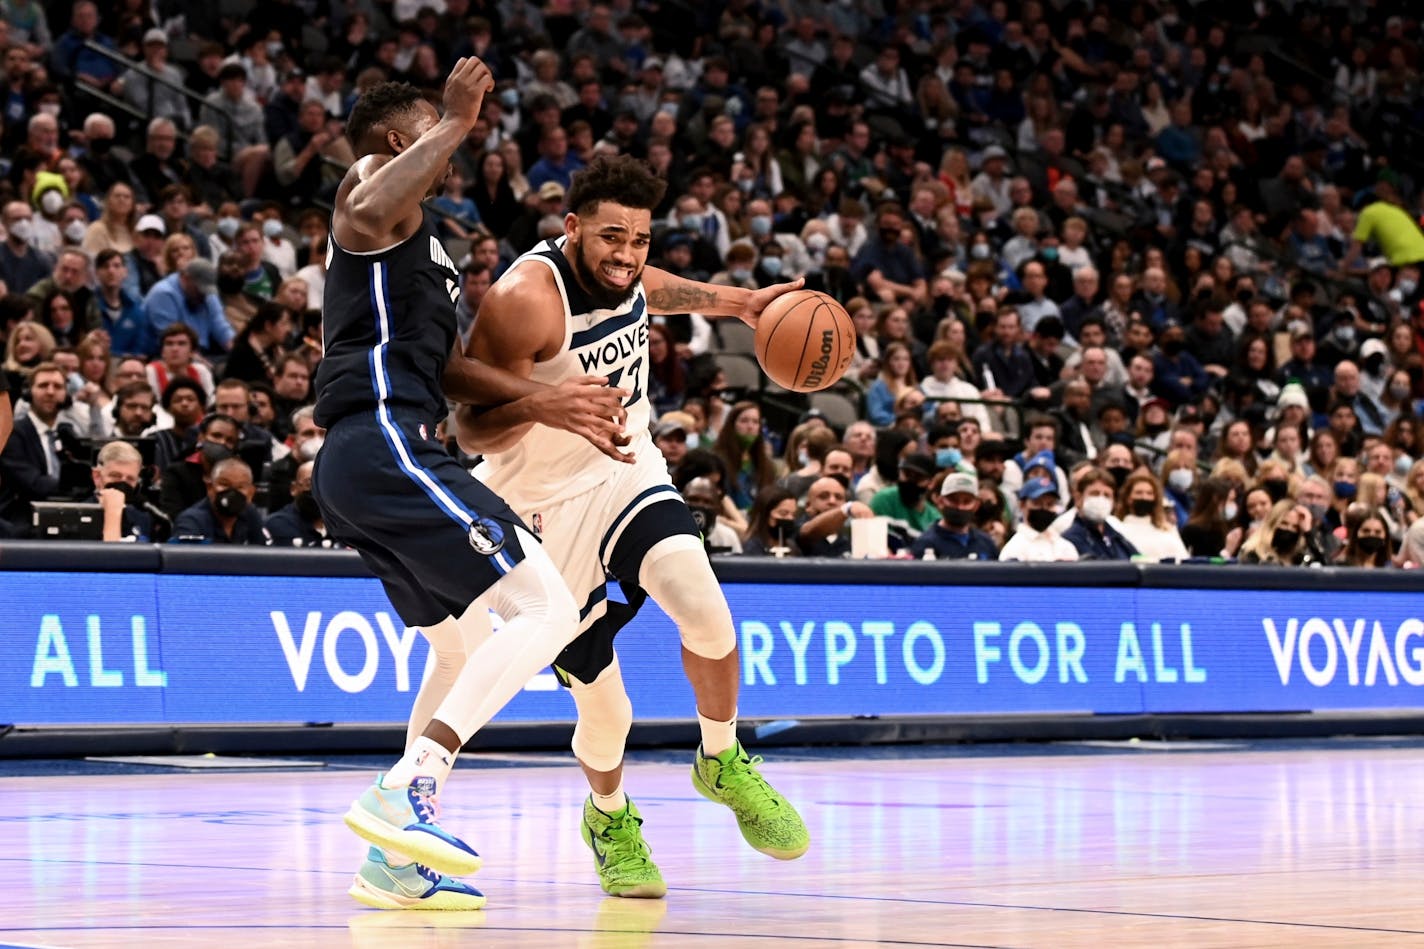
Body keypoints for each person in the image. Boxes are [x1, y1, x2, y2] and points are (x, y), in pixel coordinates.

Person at [312, 71, 628, 912]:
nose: (455, 149)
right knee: (548, 610)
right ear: (394, 143)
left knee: (453, 649)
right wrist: (451, 119)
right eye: (431, 136)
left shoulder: (418, 243)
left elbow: (446, 367)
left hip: (376, 452)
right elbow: (368, 208)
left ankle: (392, 864)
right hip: (384, 442)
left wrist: (542, 397)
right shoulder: (368, 200)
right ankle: (406, 786)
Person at [458, 153, 810, 900]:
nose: (626, 254)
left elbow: (653, 287)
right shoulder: (526, 297)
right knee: (605, 708)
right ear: (573, 227)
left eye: (640, 239)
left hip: (626, 472)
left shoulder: (629, 271)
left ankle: (721, 756)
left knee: (705, 607)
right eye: (612, 237)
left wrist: (743, 303)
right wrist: (540, 405)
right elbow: (468, 427)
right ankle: (609, 816)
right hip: (540, 511)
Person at [910, 471, 1000, 560]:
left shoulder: (986, 543)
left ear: (976, 506)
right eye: (953, 500)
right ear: (940, 501)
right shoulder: (926, 544)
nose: (960, 507)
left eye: (967, 501)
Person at [999, 477, 1079, 561]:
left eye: (1049, 504)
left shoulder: (1065, 546)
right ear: (1022, 505)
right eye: (1037, 503)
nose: (1044, 509)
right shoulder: (1014, 550)